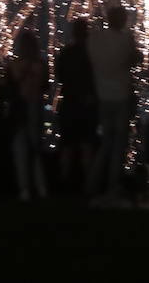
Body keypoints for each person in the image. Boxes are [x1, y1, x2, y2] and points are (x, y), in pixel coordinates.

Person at [87, 5, 141, 202]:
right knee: (119, 144)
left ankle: (92, 183)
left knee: (105, 142)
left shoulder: (95, 38)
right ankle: (113, 185)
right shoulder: (125, 39)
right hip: (121, 97)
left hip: (102, 96)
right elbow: (134, 59)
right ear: (121, 20)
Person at [55, 18, 97, 193]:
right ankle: (88, 184)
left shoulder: (65, 53)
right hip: (86, 104)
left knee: (67, 146)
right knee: (86, 145)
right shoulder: (92, 53)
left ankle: (64, 182)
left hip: (69, 103)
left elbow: (59, 77)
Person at [6, 30, 48, 200]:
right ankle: (41, 186)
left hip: (20, 108)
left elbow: (10, 85)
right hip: (34, 107)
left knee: (21, 149)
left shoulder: (15, 65)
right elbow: (45, 86)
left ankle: (25, 188)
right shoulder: (41, 65)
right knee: (34, 148)